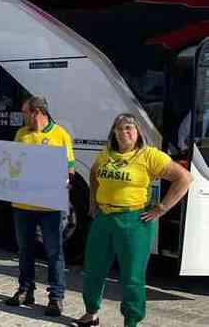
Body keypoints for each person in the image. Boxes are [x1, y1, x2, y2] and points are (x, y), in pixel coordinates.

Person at [74, 113, 192, 327]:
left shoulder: (149, 155)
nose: (123, 132)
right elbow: (93, 174)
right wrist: (93, 201)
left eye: (129, 128)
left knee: (132, 276)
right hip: (104, 219)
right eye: (119, 129)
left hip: (134, 221)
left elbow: (184, 178)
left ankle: (132, 320)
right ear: (113, 133)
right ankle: (91, 313)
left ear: (138, 132)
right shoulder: (106, 155)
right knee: (93, 269)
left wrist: (162, 208)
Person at [4, 96, 74, 317]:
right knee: (25, 249)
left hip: (50, 207)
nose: (23, 116)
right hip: (23, 204)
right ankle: (26, 290)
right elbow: (14, 163)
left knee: (54, 252)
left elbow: (70, 170)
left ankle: (56, 296)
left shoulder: (61, 134)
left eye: (25, 112)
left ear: (37, 112)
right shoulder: (21, 134)